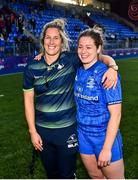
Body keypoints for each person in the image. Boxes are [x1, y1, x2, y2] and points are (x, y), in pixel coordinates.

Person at [23, 18, 118, 179]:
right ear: (42, 40)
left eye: (56, 38)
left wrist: (113, 66)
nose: (51, 41)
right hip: (42, 131)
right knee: (51, 174)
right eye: (48, 37)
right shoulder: (31, 66)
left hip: (67, 130)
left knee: (67, 174)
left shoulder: (71, 60)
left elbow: (99, 56)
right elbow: (28, 101)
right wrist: (33, 131)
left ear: (62, 42)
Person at [74, 28, 125, 179]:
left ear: (98, 49)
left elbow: (116, 114)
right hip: (83, 135)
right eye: (80, 47)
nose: (83, 51)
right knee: (95, 176)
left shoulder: (108, 75)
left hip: (104, 136)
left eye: (89, 47)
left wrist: (107, 148)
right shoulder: (78, 71)